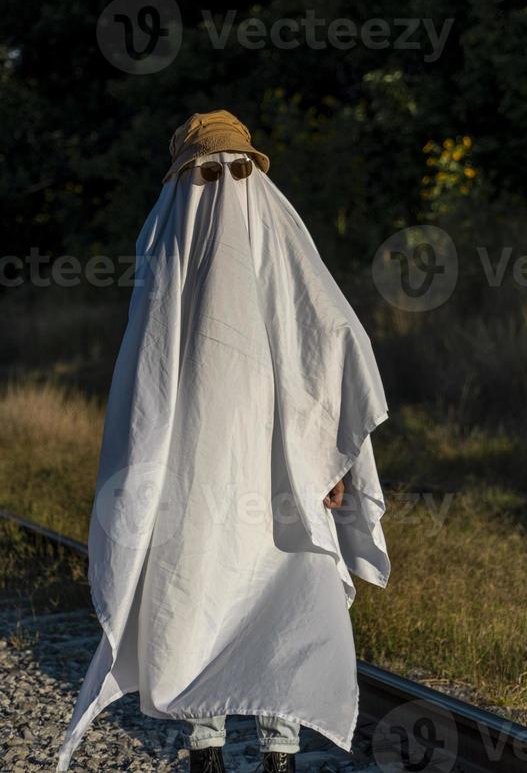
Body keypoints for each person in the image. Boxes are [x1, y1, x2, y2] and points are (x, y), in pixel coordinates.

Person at [57, 110, 390, 773]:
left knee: (281, 594)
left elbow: (332, 343)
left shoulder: (275, 241)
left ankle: (278, 753)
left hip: (283, 473)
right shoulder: (169, 242)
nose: (223, 182)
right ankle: (204, 746)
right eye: (207, 172)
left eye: (235, 170)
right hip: (195, 472)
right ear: (183, 178)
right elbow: (148, 382)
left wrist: (333, 458)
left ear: (252, 172)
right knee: (198, 591)